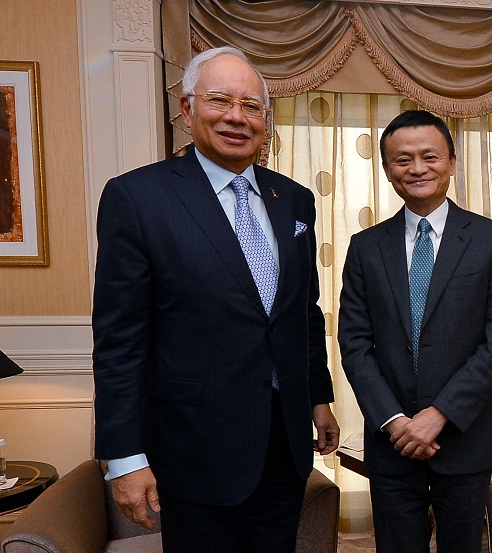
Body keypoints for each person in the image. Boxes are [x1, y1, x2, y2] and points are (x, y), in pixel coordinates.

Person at [92, 46, 339, 553]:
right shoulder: (137, 198)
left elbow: (301, 312)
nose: (236, 117)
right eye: (220, 100)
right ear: (187, 109)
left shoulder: (293, 199)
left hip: (284, 445)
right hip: (194, 448)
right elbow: (120, 342)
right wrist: (124, 459)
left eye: (251, 107)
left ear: (266, 122)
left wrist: (318, 400)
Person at [338, 110, 492, 553]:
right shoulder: (366, 247)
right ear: (386, 170)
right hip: (391, 442)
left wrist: (438, 415)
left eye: (429, 156)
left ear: (452, 162)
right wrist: (395, 421)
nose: (417, 169)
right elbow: (355, 344)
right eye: (403, 160)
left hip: (463, 439)